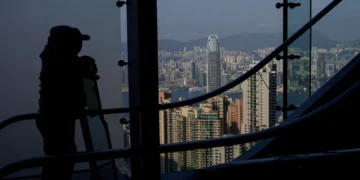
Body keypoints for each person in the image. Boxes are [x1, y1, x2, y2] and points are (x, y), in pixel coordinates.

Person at [36, 25, 96, 180]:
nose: (80, 45)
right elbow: (87, 68)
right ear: (66, 43)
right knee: (61, 159)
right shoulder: (63, 61)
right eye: (77, 41)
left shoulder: (53, 58)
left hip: (55, 117)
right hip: (58, 118)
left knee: (58, 159)